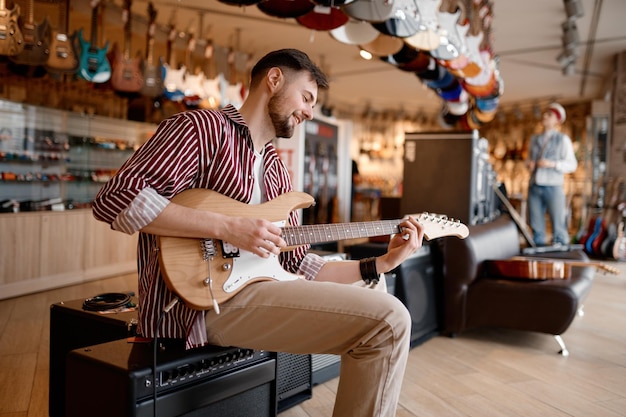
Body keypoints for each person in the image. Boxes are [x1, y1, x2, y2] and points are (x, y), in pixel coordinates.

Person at [92, 48, 424, 417]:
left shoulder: (278, 173)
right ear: (275, 79)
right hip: (198, 309)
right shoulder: (201, 129)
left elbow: (299, 266)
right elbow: (116, 199)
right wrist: (229, 227)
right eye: (307, 97)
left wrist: (382, 262)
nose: (310, 112)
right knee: (390, 320)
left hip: (263, 291)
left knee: (377, 290)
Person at [526, 102, 578, 246]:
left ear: (557, 120)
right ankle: (538, 254)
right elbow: (528, 160)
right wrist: (529, 164)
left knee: (558, 225)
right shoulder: (534, 139)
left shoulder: (563, 140)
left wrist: (552, 164)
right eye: (545, 113)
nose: (544, 116)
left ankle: (560, 255)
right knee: (536, 225)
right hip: (534, 185)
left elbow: (572, 164)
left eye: (549, 115)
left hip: (553, 186)